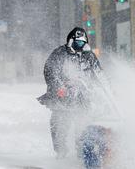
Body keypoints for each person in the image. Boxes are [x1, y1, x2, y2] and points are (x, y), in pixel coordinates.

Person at [38, 27, 102, 159]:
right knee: (59, 126)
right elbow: (49, 71)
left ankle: (81, 155)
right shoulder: (60, 53)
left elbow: (99, 74)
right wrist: (59, 87)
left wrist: (108, 89)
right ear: (71, 41)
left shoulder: (89, 56)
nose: (80, 45)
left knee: (82, 127)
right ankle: (61, 154)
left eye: (82, 43)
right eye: (77, 42)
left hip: (82, 98)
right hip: (62, 99)